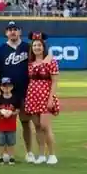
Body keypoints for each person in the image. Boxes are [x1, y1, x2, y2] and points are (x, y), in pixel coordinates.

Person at [0, 20, 34, 162]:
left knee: (26, 122)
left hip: (26, 91)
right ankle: (5, 154)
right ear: (6, 33)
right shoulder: (0, 49)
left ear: (20, 31)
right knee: (4, 122)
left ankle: (29, 152)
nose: (13, 31)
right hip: (7, 93)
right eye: (10, 29)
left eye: (15, 29)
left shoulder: (28, 47)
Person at [23, 34, 60, 164]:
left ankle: (52, 154)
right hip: (33, 95)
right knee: (37, 127)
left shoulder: (51, 61)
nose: (37, 47)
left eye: (39, 45)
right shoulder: (30, 63)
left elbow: (55, 81)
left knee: (45, 126)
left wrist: (51, 99)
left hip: (45, 95)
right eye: (34, 45)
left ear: (43, 47)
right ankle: (41, 155)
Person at [0, 77, 19, 164]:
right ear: (1, 87)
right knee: (1, 142)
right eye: (4, 86)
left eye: (8, 86)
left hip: (11, 125)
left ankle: (11, 157)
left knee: (11, 142)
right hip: (1, 125)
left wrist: (11, 113)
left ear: (12, 87)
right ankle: (0, 157)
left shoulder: (15, 98)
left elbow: (18, 110)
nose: (6, 88)